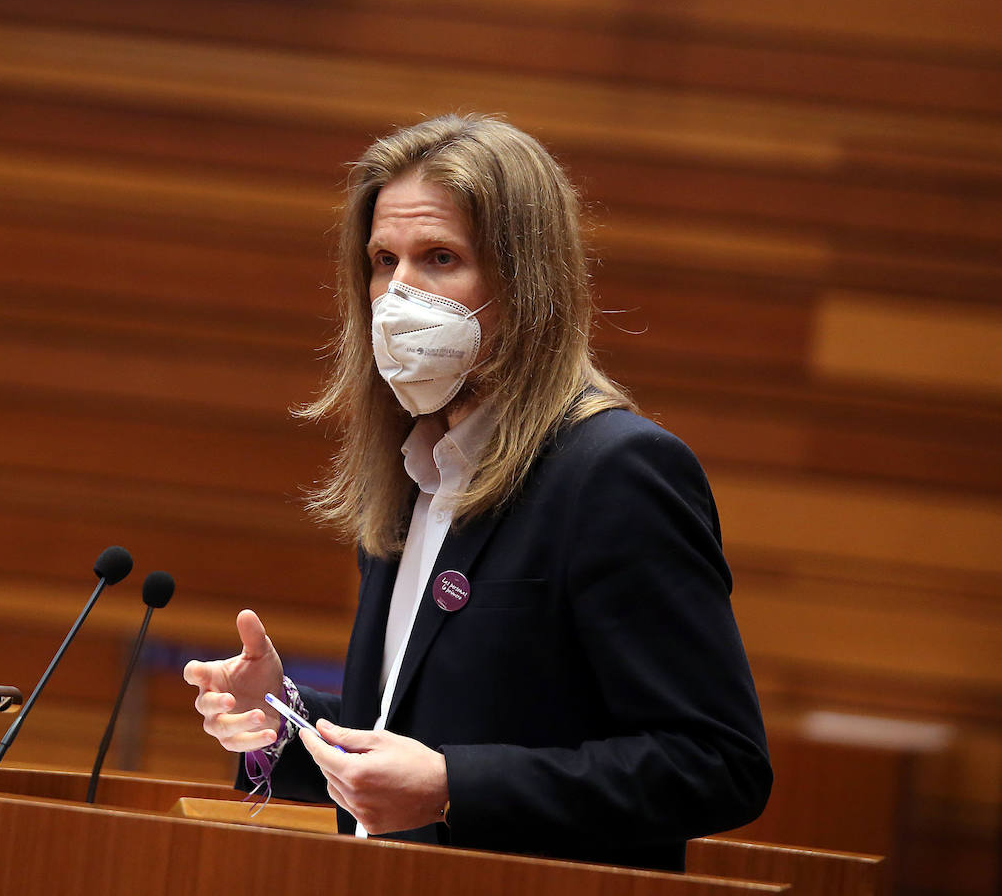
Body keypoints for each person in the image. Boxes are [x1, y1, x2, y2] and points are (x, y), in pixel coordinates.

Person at [184, 113, 772, 871]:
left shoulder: (616, 471)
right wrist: (284, 719)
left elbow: (716, 763)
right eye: (382, 259)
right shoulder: (412, 470)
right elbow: (419, 729)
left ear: (526, 283)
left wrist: (453, 786)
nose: (398, 294)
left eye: (439, 257)